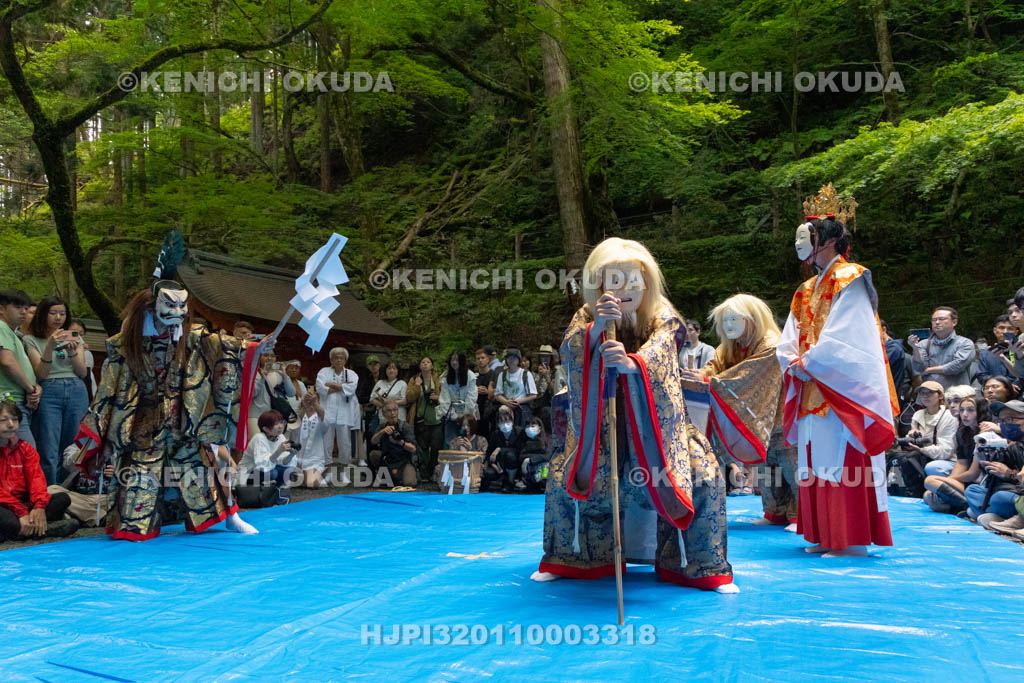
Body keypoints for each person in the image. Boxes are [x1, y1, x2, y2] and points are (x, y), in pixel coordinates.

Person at [533, 237, 736, 592]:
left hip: (658, 431)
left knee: (704, 473)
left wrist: (634, 365)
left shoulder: (664, 316)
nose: (623, 290)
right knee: (566, 475)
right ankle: (575, 558)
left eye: (632, 281)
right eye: (613, 281)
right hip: (601, 427)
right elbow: (572, 350)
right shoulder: (586, 314)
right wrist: (596, 331)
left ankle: (701, 564)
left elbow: (662, 351)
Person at [72, 277, 264, 540]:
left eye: (182, 307)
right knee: (138, 475)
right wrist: (105, 433)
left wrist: (253, 348)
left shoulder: (191, 337)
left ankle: (231, 516)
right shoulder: (125, 342)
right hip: (142, 420)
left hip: (181, 416)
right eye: (170, 306)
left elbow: (223, 345)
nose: (177, 313)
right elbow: (109, 388)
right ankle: (132, 525)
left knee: (199, 469)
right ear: (152, 306)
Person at [777, 204, 898, 557]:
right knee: (816, 461)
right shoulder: (804, 289)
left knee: (843, 458)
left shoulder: (852, 278)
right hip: (813, 382)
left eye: (808, 236)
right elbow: (789, 335)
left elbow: (850, 336)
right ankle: (823, 534)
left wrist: (810, 362)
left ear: (826, 241)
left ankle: (850, 537)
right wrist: (792, 360)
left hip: (842, 386)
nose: (800, 244)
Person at [680, 294, 783, 500]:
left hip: (779, 412)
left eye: (734, 319)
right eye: (725, 320)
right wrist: (702, 375)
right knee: (765, 463)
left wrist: (711, 381)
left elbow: (748, 373)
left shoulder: (771, 344)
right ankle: (774, 511)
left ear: (752, 319)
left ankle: (795, 512)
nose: (728, 324)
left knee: (786, 459)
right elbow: (714, 366)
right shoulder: (729, 345)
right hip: (756, 416)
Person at [23, 296, 90, 484]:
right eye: (53, 313)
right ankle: (49, 494)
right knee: (48, 446)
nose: (58, 317)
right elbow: (41, 374)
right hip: (49, 390)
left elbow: (82, 372)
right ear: (43, 314)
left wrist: (71, 351)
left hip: (76, 389)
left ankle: (70, 491)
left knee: (74, 445)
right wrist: (50, 346)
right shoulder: (31, 339)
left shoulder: (75, 337)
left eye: (62, 313)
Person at [0, 400, 80, 542]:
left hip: (23, 504)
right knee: (7, 520)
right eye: (3, 420)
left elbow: (37, 480)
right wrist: (21, 512)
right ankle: (46, 530)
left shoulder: (25, 449)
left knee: (63, 499)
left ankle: (22, 530)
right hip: (5, 506)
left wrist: (39, 506)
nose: (11, 424)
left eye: (15, 419)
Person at [922, 395, 988, 514]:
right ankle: (964, 509)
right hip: (969, 482)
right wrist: (951, 481)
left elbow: (973, 474)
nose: (964, 414)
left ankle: (973, 508)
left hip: (981, 486)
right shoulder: (963, 432)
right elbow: (961, 463)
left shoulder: (985, 435)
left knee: (930, 481)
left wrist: (948, 480)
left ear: (980, 412)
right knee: (928, 496)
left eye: (970, 410)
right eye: (962, 410)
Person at [965, 400, 1024, 523]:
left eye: (1009, 419)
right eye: (1001, 421)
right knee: (973, 491)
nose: (1004, 425)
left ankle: (990, 515)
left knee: (1000, 498)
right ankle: (995, 516)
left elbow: (1017, 478)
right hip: (1010, 490)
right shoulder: (1009, 444)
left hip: (1018, 494)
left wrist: (1009, 474)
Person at [0, 290, 40, 449]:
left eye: (25, 307)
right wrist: (30, 388)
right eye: (17, 307)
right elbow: (7, 362)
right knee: (26, 453)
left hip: (16, 400)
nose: (23, 311)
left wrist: (35, 388)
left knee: (14, 457)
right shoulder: (1, 327)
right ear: (1, 309)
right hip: (7, 401)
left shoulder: (13, 334)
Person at [316, 347, 360, 487]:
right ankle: (328, 471)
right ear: (331, 360)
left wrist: (331, 385)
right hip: (327, 411)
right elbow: (320, 388)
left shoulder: (351, 374)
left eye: (341, 358)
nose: (338, 360)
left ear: (345, 360)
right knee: (326, 443)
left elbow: (351, 389)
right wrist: (341, 387)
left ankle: (343, 472)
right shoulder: (324, 371)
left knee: (345, 443)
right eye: (336, 358)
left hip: (345, 413)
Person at [237, 410, 297, 507]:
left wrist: (291, 455)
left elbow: (283, 462)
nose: (280, 426)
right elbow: (262, 466)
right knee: (273, 473)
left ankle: (274, 495)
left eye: (281, 422)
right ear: (265, 428)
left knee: (288, 471)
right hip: (249, 473)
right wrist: (278, 451)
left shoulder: (280, 437)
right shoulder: (259, 438)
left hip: (266, 471)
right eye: (276, 424)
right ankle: (266, 496)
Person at [908, 306, 975, 390]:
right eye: (934, 320)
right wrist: (915, 348)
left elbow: (956, 367)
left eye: (942, 319)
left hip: (956, 396)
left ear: (954, 322)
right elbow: (919, 368)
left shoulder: (965, 343)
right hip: (929, 396)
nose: (937, 322)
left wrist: (929, 370)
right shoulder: (923, 344)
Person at [904, 381, 957, 477]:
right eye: (922, 393)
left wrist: (921, 449)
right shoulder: (918, 415)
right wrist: (910, 436)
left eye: (930, 392)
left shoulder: (949, 416)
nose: (925, 396)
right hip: (925, 457)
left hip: (947, 461)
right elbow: (915, 442)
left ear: (940, 395)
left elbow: (945, 452)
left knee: (932, 467)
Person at [406, 357, 443, 481]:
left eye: (428, 362)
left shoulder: (438, 379)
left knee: (436, 445)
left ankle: (433, 470)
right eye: (423, 362)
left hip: (436, 418)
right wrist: (417, 386)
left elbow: (444, 396)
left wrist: (438, 397)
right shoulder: (414, 379)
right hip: (420, 418)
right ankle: (424, 471)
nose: (425, 364)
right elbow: (409, 397)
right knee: (422, 447)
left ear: (432, 366)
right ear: (419, 366)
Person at [368, 400, 418, 488]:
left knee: (410, 483)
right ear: (384, 414)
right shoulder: (382, 426)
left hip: (403, 460)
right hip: (388, 459)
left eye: (395, 410)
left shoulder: (405, 426)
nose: (393, 413)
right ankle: (384, 475)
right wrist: (382, 432)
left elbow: (413, 448)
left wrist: (400, 443)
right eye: (389, 411)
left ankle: (403, 475)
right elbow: (373, 441)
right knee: (373, 454)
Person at [288, 390, 330, 488]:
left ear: (318, 402)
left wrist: (315, 404)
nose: (310, 402)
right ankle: (303, 475)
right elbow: (292, 427)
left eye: (313, 400)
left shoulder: (322, 415)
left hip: (314, 460)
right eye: (307, 399)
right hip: (296, 459)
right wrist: (304, 407)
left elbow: (323, 416)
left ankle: (313, 474)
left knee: (311, 484)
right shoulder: (298, 415)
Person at [492, 347, 538, 427]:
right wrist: (506, 402)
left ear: (518, 360)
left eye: (514, 358)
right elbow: (497, 394)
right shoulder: (502, 374)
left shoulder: (526, 374)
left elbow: (533, 395)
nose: (511, 360)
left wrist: (518, 401)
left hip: (522, 407)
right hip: (505, 406)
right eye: (509, 358)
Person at [440, 351, 477, 448]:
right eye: (452, 359)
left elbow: (471, 398)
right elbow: (444, 399)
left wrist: (465, 417)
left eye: (457, 360)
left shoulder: (470, 376)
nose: (454, 362)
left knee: (466, 442)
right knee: (450, 442)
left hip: (467, 416)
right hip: (451, 415)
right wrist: (454, 416)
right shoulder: (445, 376)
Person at [483, 405, 523, 493]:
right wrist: (493, 465)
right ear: (497, 424)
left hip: (515, 463)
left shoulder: (519, 432)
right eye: (501, 421)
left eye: (507, 420)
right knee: (488, 473)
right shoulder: (495, 434)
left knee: (510, 456)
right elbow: (489, 452)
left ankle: (510, 482)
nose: (505, 424)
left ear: (512, 422)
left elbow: (519, 450)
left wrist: (500, 449)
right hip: (499, 463)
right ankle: (501, 479)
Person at [974, 315, 1016, 385]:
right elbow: (981, 376)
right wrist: (1001, 385)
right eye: (1001, 328)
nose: (1005, 331)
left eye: (1010, 328)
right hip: (993, 392)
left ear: (1016, 332)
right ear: (995, 330)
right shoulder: (985, 354)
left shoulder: (1020, 352)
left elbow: (1021, 374)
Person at [880, 320, 909, 410]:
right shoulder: (879, 348)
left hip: (890, 401)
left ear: (883, 329)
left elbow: (875, 368)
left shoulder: (893, 348)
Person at [519, 416, 552, 492]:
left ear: (539, 428)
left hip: (542, 468)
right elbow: (521, 456)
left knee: (546, 464)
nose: (530, 428)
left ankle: (544, 482)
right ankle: (529, 482)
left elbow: (547, 456)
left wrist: (530, 459)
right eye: (528, 426)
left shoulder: (548, 439)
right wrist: (527, 460)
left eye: (533, 426)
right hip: (529, 469)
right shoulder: (523, 439)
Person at [474, 348, 498, 437]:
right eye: (478, 358)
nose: (480, 360)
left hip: (490, 412)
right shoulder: (473, 377)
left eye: (483, 358)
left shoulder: (494, 375)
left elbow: (499, 393)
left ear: (488, 359)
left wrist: (488, 392)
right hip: (476, 412)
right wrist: (475, 390)